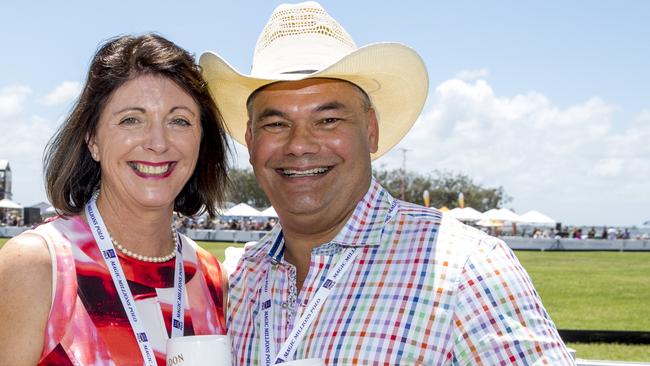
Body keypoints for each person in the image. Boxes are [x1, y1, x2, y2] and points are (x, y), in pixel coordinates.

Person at [201, 2, 573, 364]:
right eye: (276, 124)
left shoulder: (465, 268)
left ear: (371, 131)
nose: (299, 144)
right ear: (251, 141)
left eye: (328, 120)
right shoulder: (238, 279)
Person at [0, 34, 230, 365]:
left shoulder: (212, 280)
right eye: (131, 120)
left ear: (201, 139)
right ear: (92, 139)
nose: (157, 142)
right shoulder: (39, 267)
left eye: (179, 120)